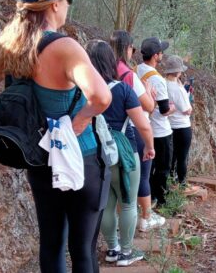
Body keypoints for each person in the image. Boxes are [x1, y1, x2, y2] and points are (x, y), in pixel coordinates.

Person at [0, 0, 112, 273]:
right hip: (82, 159)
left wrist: (21, 117)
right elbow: (101, 98)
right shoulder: (65, 47)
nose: (67, 6)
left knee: (51, 244)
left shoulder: (10, 46)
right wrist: (79, 121)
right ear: (54, 4)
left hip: (40, 160)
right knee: (82, 250)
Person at [86, 40, 155, 267]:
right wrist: (150, 146)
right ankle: (126, 252)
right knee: (127, 203)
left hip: (96, 153)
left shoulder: (83, 89)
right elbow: (143, 125)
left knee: (107, 204)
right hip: (124, 152)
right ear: (110, 61)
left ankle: (112, 249)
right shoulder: (123, 89)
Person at [109, 30, 165, 232]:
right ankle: (146, 218)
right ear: (127, 48)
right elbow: (149, 106)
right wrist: (149, 92)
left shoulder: (103, 70)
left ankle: (116, 221)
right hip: (132, 131)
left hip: (108, 133)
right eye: (132, 48)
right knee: (141, 177)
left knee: (115, 181)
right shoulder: (128, 75)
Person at [135, 37, 174, 207]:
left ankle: (147, 197)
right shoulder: (158, 79)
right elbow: (165, 110)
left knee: (147, 169)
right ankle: (160, 199)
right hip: (160, 130)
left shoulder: (135, 71)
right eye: (161, 52)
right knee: (163, 167)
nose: (162, 55)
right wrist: (174, 107)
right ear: (156, 55)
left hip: (141, 128)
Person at [163, 55, 194, 190]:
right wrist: (189, 104)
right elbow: (187, 110)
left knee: (173, 155)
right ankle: (182, 183)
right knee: (182, 156)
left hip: (170, 125)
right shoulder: (177, 89)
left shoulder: (164, 83)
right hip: (182, 126)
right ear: (177, 71)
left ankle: (171, 181)